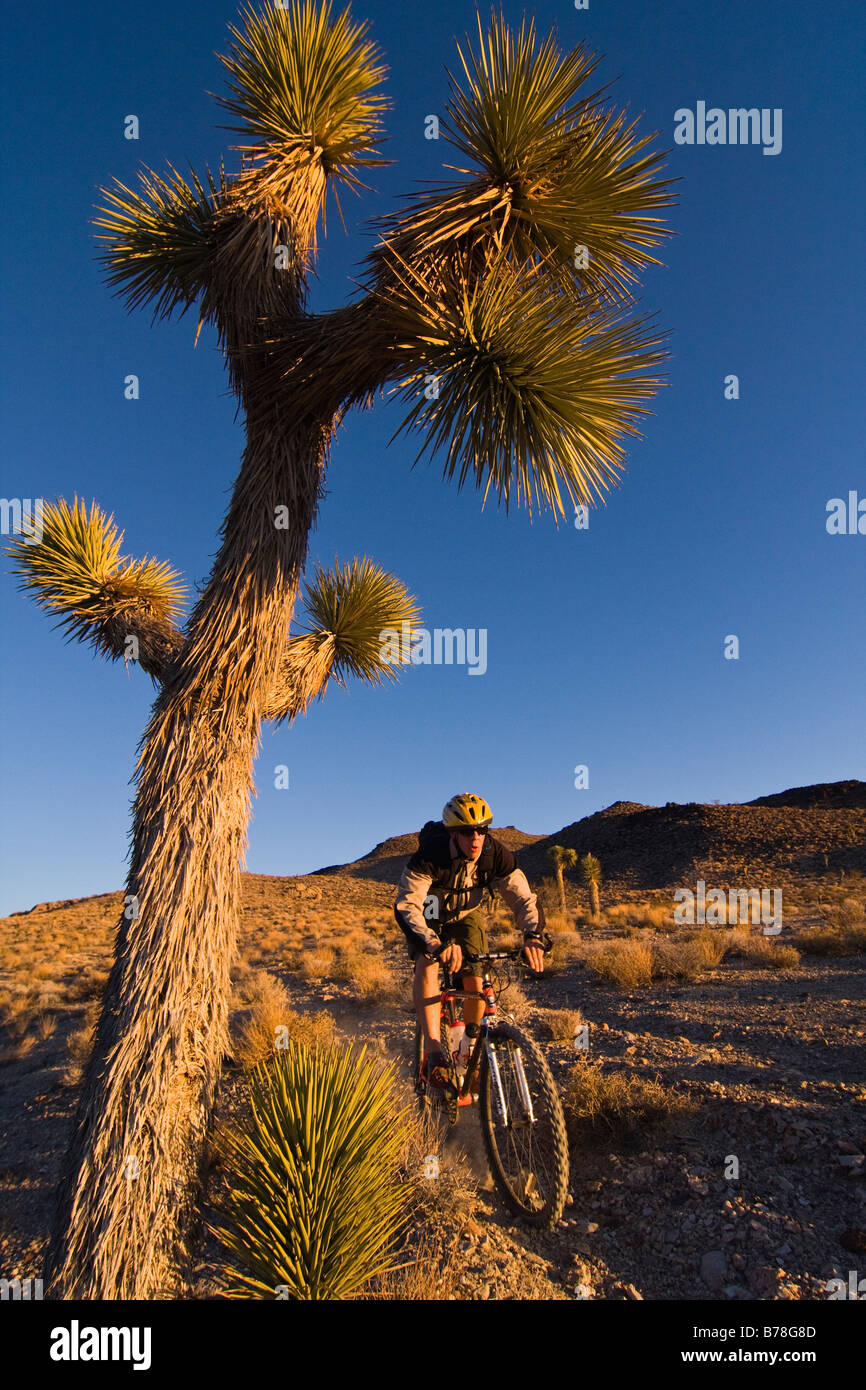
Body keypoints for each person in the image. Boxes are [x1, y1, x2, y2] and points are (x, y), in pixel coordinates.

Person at [394, 793, 546, 1092]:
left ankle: (467, 1052)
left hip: (467, 913)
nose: (475, 838)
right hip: (432, 910)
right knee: (428, 964)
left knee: (474, 978)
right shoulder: (430, 854)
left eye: (482, 829)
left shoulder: (495, 854)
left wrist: (533, 934)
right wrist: (434, 944)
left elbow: (523, 898)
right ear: (453, 832)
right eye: (466, 831)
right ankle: (434, 1052)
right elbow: (407, 905)